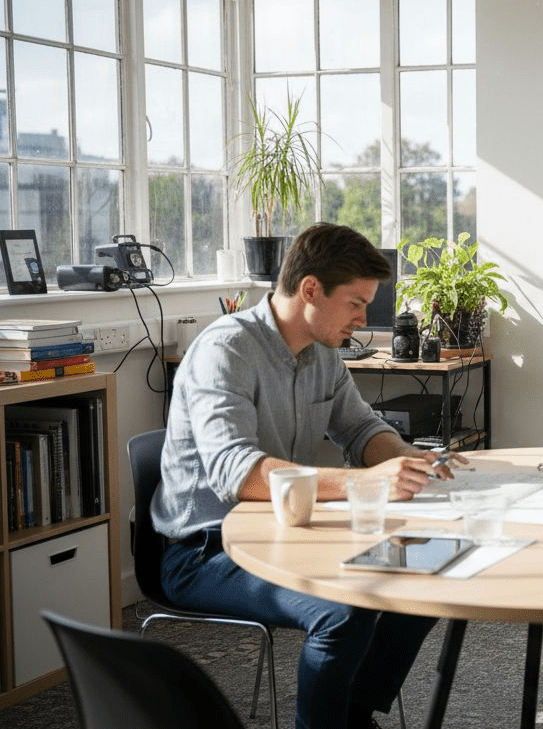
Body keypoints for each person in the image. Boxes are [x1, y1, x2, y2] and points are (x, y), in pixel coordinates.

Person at [152, 222, 462, 729]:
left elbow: (360, 428)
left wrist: (408, 459)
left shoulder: (323, 353)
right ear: (311, 289)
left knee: (425, 573)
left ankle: (351, 716)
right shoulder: (226, 350)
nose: (364, 319)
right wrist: (364, 483)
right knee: (344, 611)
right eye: (356, 303)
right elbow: (236, 473)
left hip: (288, 529)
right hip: (206, 549)